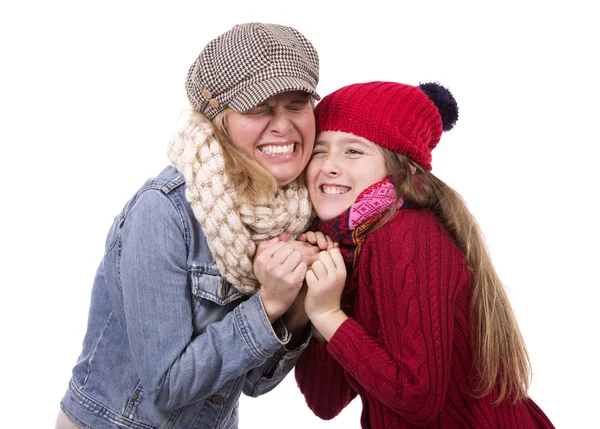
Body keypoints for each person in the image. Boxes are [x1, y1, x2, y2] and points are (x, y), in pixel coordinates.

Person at [56, 22, 329, 429]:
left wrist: (297, 305)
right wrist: (269, 302)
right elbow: (167, 386)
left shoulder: (292, 210)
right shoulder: (164, 212)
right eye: (259, 108)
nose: (283, 125)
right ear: (218, 119)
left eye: (297, 104)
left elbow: (253, 382)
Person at [293, 81, 556, 428]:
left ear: (401, 169)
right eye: (319, 150)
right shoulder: (353, 245)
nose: (329, 165)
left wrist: (328, 314)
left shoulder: (404, 235)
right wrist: (322, 302)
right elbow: (324, 402)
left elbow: (415, 397)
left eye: (353, 151)